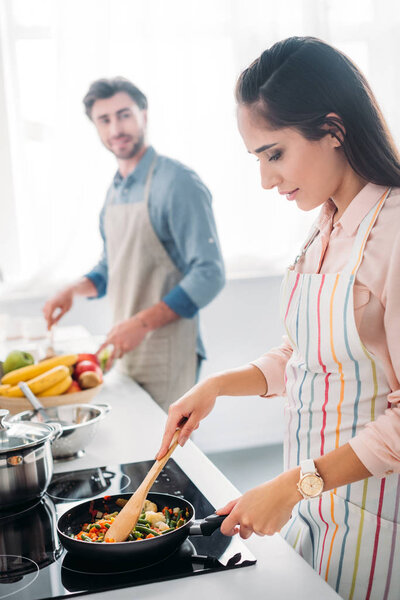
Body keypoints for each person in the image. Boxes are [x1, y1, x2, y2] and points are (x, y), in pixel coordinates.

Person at [157, 37, 400, 600]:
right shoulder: (326, 225)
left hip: (376, 513)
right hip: (314, 503)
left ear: (333, 129)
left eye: (275, 154)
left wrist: (294, 485)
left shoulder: (394, 233)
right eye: (259, 160)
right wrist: (218, 385)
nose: (267, 181)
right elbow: (307, 353)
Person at [43, 77, 225, 410]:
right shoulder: (114, 189)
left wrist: (142, 323)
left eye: (124, 114)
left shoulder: (177, 182)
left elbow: (209, 273)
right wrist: (73, 290)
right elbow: (112, 264)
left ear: (144, 113)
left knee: (167, 457)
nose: (116, 128)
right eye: (105, 120)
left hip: (168, 348)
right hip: (127, 348)